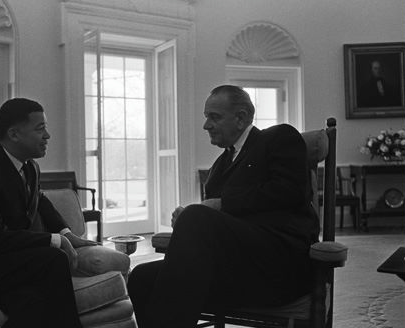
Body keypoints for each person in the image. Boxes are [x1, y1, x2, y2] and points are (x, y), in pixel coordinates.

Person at [127, 85, 319, 328]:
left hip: (277, 264)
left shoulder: (279, 138)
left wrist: (216, 207)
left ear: (241, 118)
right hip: (231, 269)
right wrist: (188, 219)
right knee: (141, 278)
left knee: (197, 216)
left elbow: (289, 193)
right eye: (206, 117)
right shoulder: (219, 167)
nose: (206, 125)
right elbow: (217, 224)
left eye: (214, 117)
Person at [0, 98, 121, 328]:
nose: (48, 135)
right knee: (53, 259)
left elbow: (39, 200)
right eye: (40, 129)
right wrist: (55, 240)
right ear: (14, 134)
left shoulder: (29, 167)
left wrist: (66, 233)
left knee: (30, 303)